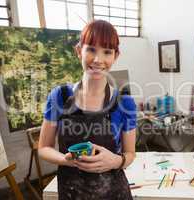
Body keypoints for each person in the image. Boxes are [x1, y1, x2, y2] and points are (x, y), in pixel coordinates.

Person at [38, 20, 137, 200]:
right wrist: (67, 160)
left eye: (107, 52)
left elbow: (130, 153)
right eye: (91, 49)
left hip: (114, 192)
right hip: (71, 191)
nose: (98, 60)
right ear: (79, 51)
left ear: (115, 56)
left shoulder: (125, 103)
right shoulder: (59, 97)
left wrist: (116, 161)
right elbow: (44, 147)